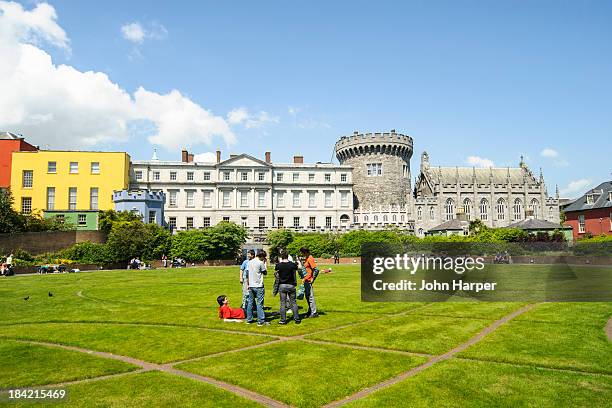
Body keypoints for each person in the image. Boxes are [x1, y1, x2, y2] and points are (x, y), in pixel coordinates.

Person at [275, 250, 301, 325]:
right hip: (291, 285)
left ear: (281, 257)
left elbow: (276, 274)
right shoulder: (292, 264)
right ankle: (297, 318)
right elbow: (299, 268)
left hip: (282, 285)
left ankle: (283, 320)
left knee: (283, 303)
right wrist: (298, 261)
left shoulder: (278, 265)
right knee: (293, 302)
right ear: (288, 256)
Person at [246, 250, 269, 326]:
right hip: (258, 286)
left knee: (250, 303)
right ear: (262, 256)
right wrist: (265, 263)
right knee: (260, 304)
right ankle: (261, 321)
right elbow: (265, 272)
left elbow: (247, 274)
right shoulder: (260, 263)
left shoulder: (250, 262)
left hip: (251, 285)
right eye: (264, 257)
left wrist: (248, 284)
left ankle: (249, 319)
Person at [300, 247, 318, 318]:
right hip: (306, 280)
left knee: (310, 297)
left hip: (309, 281)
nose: (301, 254)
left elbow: (316, 270)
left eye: (302, 252)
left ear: (305, 252)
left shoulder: (310, 258)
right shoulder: (307, 258)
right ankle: (310, 310)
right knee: (307, 296)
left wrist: (313, 278)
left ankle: (314, 312)